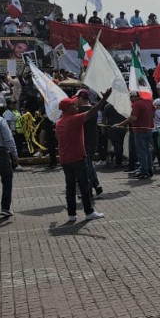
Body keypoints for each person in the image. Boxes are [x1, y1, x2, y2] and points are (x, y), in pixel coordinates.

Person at [55, 88, 111, 223]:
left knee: (70, 187)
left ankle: (71, 215)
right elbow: (92, 111)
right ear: (68, 108)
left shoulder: (59, 122)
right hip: (77, 157)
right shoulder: (74, 119)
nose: (76, 106)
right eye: (73, 105)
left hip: (65, 159)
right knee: (84, 186)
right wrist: (103, 99)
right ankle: (89, 212)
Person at [118, 91, 155, 179]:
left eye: (131, 98)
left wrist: (120, 124)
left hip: (139, 130)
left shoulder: (136, 104)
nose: (131, 101)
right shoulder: (148, 102)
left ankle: (144, 171)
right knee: (147, 150)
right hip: (149, 129)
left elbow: (133, 118)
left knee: (141, 151)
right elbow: (153, 113)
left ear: (133, 97)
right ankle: (149, 169)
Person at [75, 90, 103, 194]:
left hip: (83, 140)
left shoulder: (80, 111)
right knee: (89, 163)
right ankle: (96, 184)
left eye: (77, 98)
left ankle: (91, 186)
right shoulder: (93, 109)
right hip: (93, 139)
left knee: (86, 164)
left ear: (81, 98)